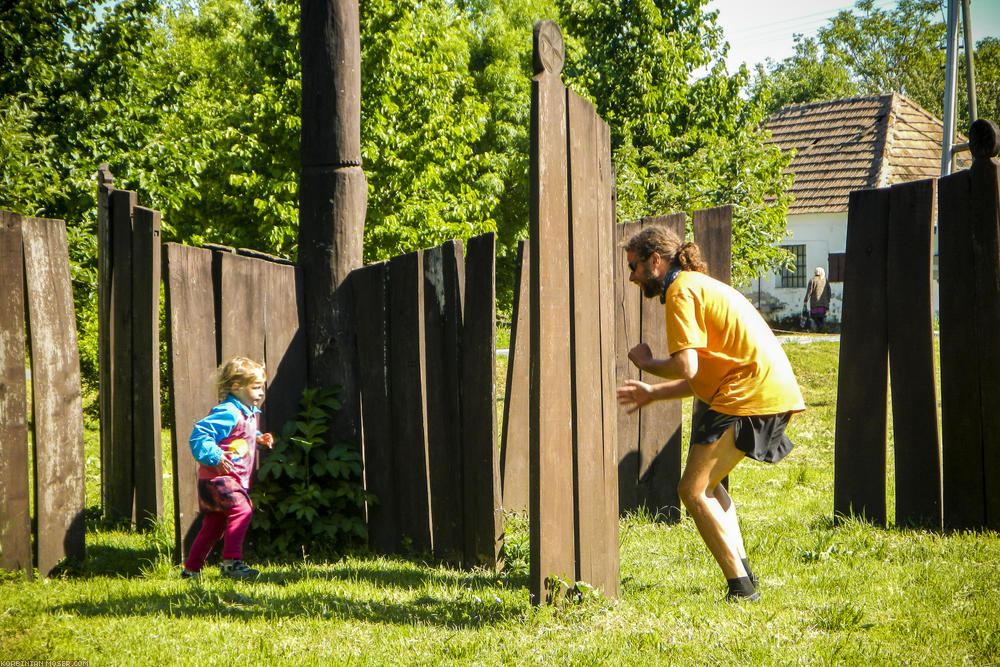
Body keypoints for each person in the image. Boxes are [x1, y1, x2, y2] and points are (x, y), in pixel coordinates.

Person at [616, 226, 805, 602]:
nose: (632, 276)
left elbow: (685, 366)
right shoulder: (695, 285)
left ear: (656, 260)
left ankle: (741, 588)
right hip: (758, 388)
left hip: (748, 392)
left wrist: (646, 363)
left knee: (692, 490)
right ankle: (744, 574)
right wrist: (654, 393)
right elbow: (703, 373)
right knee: (710, 484)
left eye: (634, 266)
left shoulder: (681, 290)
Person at [181, 357, 274, 580]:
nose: (261, 392)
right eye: (256, 387)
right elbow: (199, 435)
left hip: (219, 480)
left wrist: (258, 438)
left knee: (213, 527)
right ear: (236, 387)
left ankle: (191, 570)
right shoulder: (228, 412)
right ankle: (231, 563)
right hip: (219, 479)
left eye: (262, 386)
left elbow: (237, 436)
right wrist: (215, 455)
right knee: (242, 510)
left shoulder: (247, 412)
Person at [803, 267, 831, 331]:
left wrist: (805, 300)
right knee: (821, 316)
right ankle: (821, 329)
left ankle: (820, 328)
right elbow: (829, 291)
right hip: (824, 303)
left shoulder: (812, 280)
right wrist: (828, 300)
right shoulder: (825, 280)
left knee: (814, 316)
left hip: (815, 303)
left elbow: (809, 292)